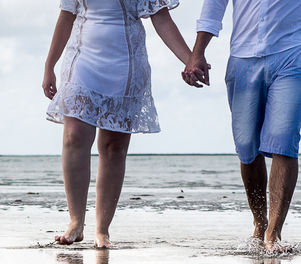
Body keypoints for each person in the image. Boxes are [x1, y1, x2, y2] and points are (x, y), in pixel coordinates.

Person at [181, 0, 301, 252]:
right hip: (242, 59)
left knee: (283, 138)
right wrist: (197, 53)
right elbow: (214, 6)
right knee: (247, 145)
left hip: (292, 54)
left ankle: (273, 232)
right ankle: (260, 223)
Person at [43, 0, 197, 248]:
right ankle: (75, 222)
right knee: (74, 134)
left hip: (126, 63)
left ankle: (102, 231)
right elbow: (66, 16)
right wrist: (49, 65)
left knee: (114, 147)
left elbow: (161, 18)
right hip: (82, 59)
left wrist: (190, 59)